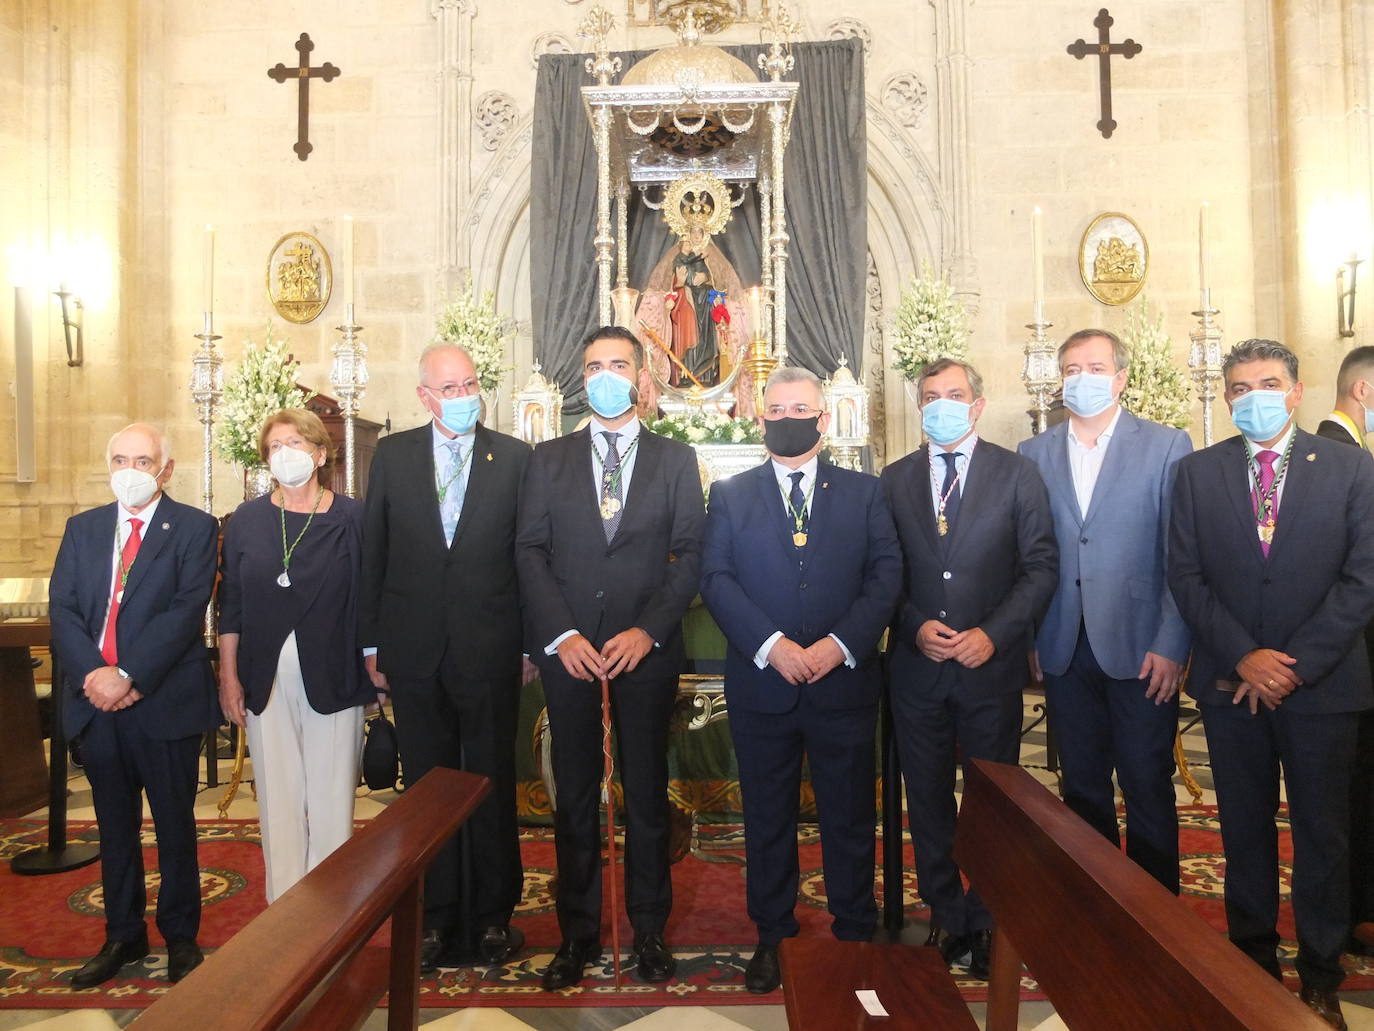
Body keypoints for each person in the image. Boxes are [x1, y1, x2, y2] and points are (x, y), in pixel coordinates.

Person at [1168, 339, 1374, 1030]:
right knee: (1243, 831)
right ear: (1226, 397)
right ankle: (1249, 965)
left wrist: (1292, 663)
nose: (1254, 394)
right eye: (1240, 385)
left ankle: (1320, 974)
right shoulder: (1198, 473)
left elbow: (1363, 579)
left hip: (1323, 687)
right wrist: (1243, 656)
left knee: (1323, 835)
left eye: (1269, 381)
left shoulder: (1350, 468)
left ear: (1296, 389)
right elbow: (1186, 576)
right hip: (1233, 685)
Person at [699, 366, 902, 994]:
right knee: (767, 816)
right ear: (761, 421)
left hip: (842, 684)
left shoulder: (866, 493)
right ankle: (772, 934)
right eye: (777, 410)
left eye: (801, 410)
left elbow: (886, 575)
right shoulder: (731, 495)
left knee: (848, 814)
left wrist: (839, 646)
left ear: (823, 418)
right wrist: (773, 646)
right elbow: (716, 579)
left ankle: (853, 929)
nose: (789, 420)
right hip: (764, 684)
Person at [516, 325, 704, 990]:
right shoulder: (548, 459)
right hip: (571, 657)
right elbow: (530, 551)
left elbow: (689, 554)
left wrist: (647, 631)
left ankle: (648, 927)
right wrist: (561, 634)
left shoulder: (675, 460)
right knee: (574, 802)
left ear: (640, 375)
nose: (603, 374)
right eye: (593, 364)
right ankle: (577, 933)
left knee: (647, 797)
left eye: (616, 363)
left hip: (642, 656)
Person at [880, 358, 1058, 979]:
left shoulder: (1018, 475)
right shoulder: (894, 478)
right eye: (931, 397)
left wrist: (994, 633)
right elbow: (883, 572)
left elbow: (1040, 567)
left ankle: (986, 920)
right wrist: (910, 624)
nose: (942, 406)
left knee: (992, 802)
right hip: (918, 669)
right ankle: (945, 916)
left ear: (978, 405)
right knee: (926, 797)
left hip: (989, 668)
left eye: (954, 395)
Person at [360, 344, 531, 972]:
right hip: (414, 646)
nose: (462, 395)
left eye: (470, 384)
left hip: (490, 647)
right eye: (448, 387)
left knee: (490, 783)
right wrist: (372, 642)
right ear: (424, 396)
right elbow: (372, 550)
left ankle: (491, 916)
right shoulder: (393, 455)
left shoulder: (514, 457)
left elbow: (526, 557)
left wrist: (526, 643)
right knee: (425, 790)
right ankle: (433, 917)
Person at [1017, 329, 1192, 893]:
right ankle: (1095, 909)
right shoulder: (1034, 452)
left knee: (1146, 783)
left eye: (1094, 368)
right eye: (1071, 369)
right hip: (1063, 643)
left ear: (1119, 378)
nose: (1080, 379)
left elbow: (1180, 554)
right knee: (1082, 788)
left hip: (1143, 645)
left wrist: (1172, 641)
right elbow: (1028, 555)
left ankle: (1156, 919)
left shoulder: (1166, 445)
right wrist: (1031, 639)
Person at [48, 423, 219, 986]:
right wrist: (96, 676)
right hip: (96, 703)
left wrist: (129, 675)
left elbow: (186, 610)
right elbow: (65, 609)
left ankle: (181, 936)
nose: (130, 470)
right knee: (113, 827)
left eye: (143, 461)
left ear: (164, 470)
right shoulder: (84, 529)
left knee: (174, 825)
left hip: (162, 700)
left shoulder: (193, 527)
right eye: (120, 458)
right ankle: (122, 934)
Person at [217, 409, 375, 903]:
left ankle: (331, 909)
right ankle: (284, 907)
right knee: (279, 799)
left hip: (334, 672)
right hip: (263, 678)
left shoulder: (353, 517)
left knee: (330, 800)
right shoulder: (246, 520)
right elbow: (232, 606)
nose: (286, 454)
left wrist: (375, 663)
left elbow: (372, 598)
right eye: (275, 446)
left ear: (321, 454)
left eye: (296, 443)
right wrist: (228, 676)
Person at [1315, 345, 1374, 952]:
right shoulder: (1339, 455)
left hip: (1346, 654)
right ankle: (1353, 911)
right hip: (1341, 655)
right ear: (1362, 391)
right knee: (1346, 794)